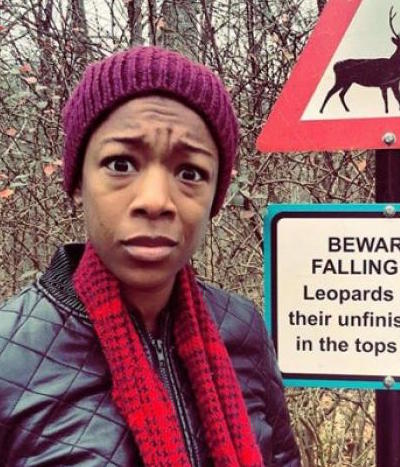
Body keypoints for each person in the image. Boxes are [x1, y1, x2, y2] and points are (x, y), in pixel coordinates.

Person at [0, 46, 301, 467]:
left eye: (190, 173)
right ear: (78, 183)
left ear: (215, 198)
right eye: (120, 164)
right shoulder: (10, 356)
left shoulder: (243, 328)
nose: (156, 200)